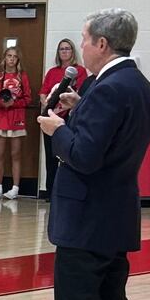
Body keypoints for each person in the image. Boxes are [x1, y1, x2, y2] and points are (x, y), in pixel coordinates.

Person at [19, 10, 150, 300]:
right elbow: (109, 139)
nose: (81, 46)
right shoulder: (138, 86)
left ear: (102, 44)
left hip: (86, 219)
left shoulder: (110, 89)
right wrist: (80, 112)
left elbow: (85, 155)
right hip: (115, 216)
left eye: (84, 39)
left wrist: (58, 129)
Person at [40, 37, 88, 196]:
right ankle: (50, 190)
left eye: (68, 48)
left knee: (67, 155)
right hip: (52, 115)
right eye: (62, 49)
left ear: (73, 52)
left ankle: (66, 189)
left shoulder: (79, 71)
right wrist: (49, 105)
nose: (65, 51)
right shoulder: (52, 72)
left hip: (69, 117)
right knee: (51, 154)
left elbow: (81, 93)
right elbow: (43, 93)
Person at [0, 46, 30, 199]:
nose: (11, 59)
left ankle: (15, 188)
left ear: (18, 60)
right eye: (9, 55)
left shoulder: (22, 77)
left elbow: (27, 99)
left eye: (14, 56)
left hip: (17, 117)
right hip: (0, 118)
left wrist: (13, 103)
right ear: (4, 58)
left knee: (15, 154)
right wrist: (1, 103)